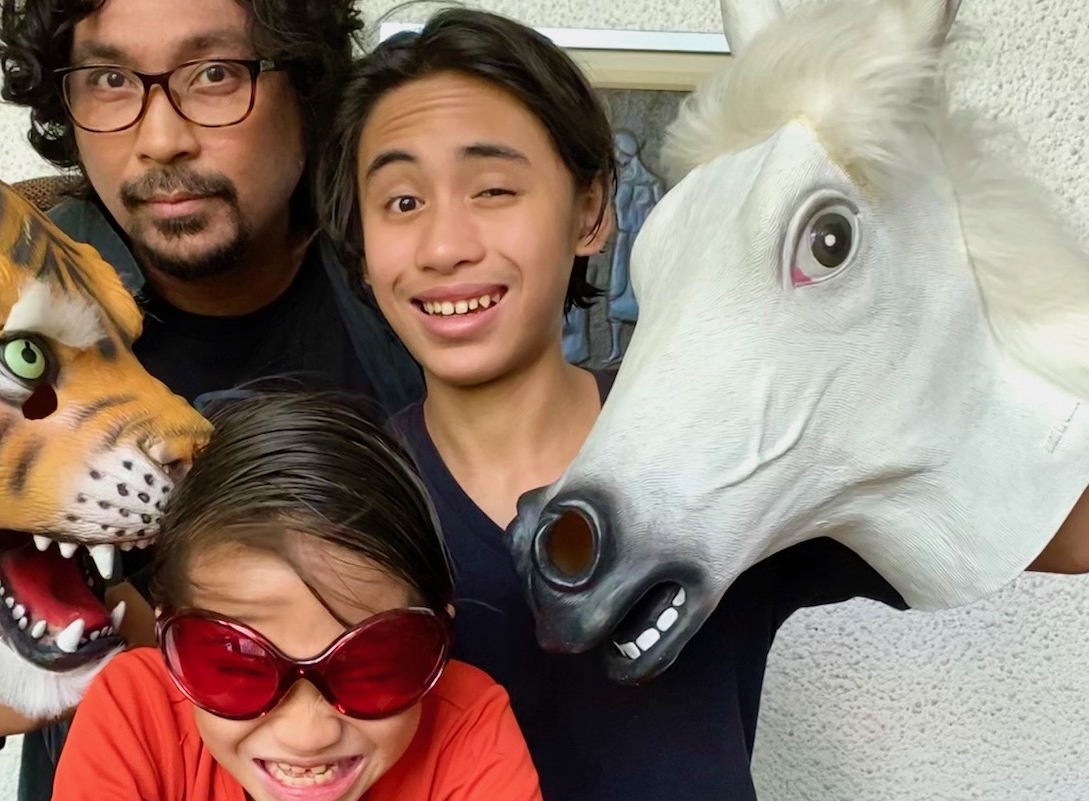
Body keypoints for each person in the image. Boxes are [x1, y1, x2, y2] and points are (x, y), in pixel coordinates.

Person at [314, 9, 906, 800]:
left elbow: (1037, 522)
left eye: (493, 189)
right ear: (360, 248)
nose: (444, 246)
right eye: (401, 202)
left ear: (591, 210)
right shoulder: (339, 501)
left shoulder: (723, 430)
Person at [0, 2, 422, 800]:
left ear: (305, 88)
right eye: (109, 80)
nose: (161, 138)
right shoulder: (16, 302)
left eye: (214, 74)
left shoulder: (409, 277)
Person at [49, 392, 544, 801]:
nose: (308, 736)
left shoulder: (467, 722)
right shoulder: (135, 712)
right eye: (236, 663)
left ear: (438, 641)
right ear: (168, 643)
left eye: (372, 665)